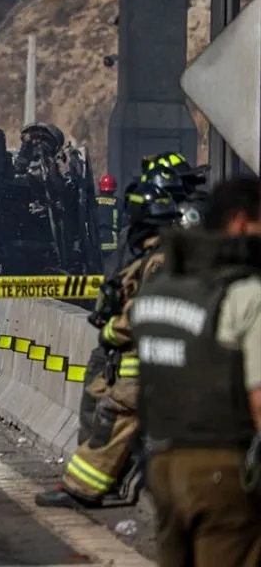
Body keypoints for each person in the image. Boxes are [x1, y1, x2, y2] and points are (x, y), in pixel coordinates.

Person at [129, 176, 261, 565]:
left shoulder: (162, 285)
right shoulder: (244, 293)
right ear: (239, 222)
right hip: (222, 469)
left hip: (163, 467)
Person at [36, 179, 182, 509]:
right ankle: (104, 481)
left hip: (144, 360)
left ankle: (82, 488)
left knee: (111, 417)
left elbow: (147, 311)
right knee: (102, 410)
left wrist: (113, 329)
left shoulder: (160, 259)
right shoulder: (152, 255)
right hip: (136, 359)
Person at [95, 173, 121, 263]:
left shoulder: (93, 202)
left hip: (95, 244)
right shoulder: (118, 203)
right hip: (112, 245)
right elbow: (124, 223)